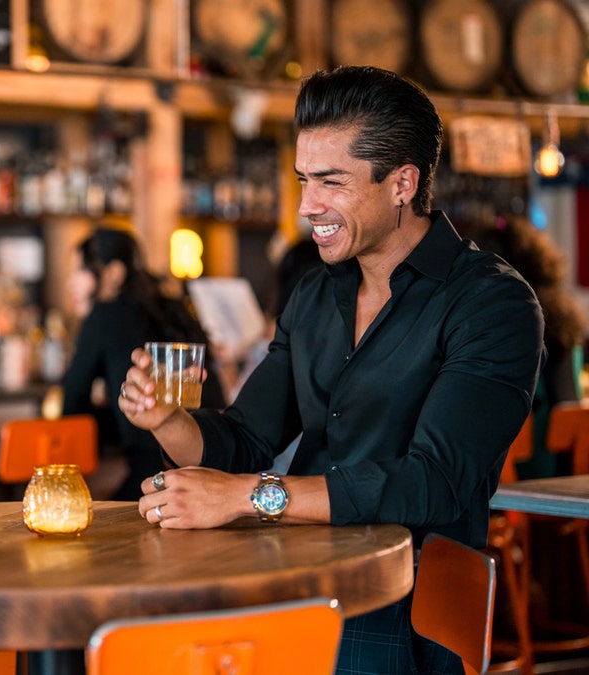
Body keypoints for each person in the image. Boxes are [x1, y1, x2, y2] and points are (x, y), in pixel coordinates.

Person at [119, 65, 544, 674]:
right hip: (302, 577)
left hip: (408, 592)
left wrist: (247, 498)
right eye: (302, 180)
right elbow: (243, 442)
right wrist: (167, 418)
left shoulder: (491, 304)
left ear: (402, 183)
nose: (306, 205)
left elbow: (433, 483)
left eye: (331, 182)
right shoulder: (315, 295)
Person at [62, 227, 226, 500]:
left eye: (80, 271)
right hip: (216, 464)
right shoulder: (174, 309)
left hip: (154, 476)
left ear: (114, 273)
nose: (71, 283)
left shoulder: (105, 314)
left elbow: (72, 404)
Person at [464, 214, 587, 477]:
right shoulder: (565, 325)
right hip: (564, 479)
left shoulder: (480, 328)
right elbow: (572, 406)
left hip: (505, 484)